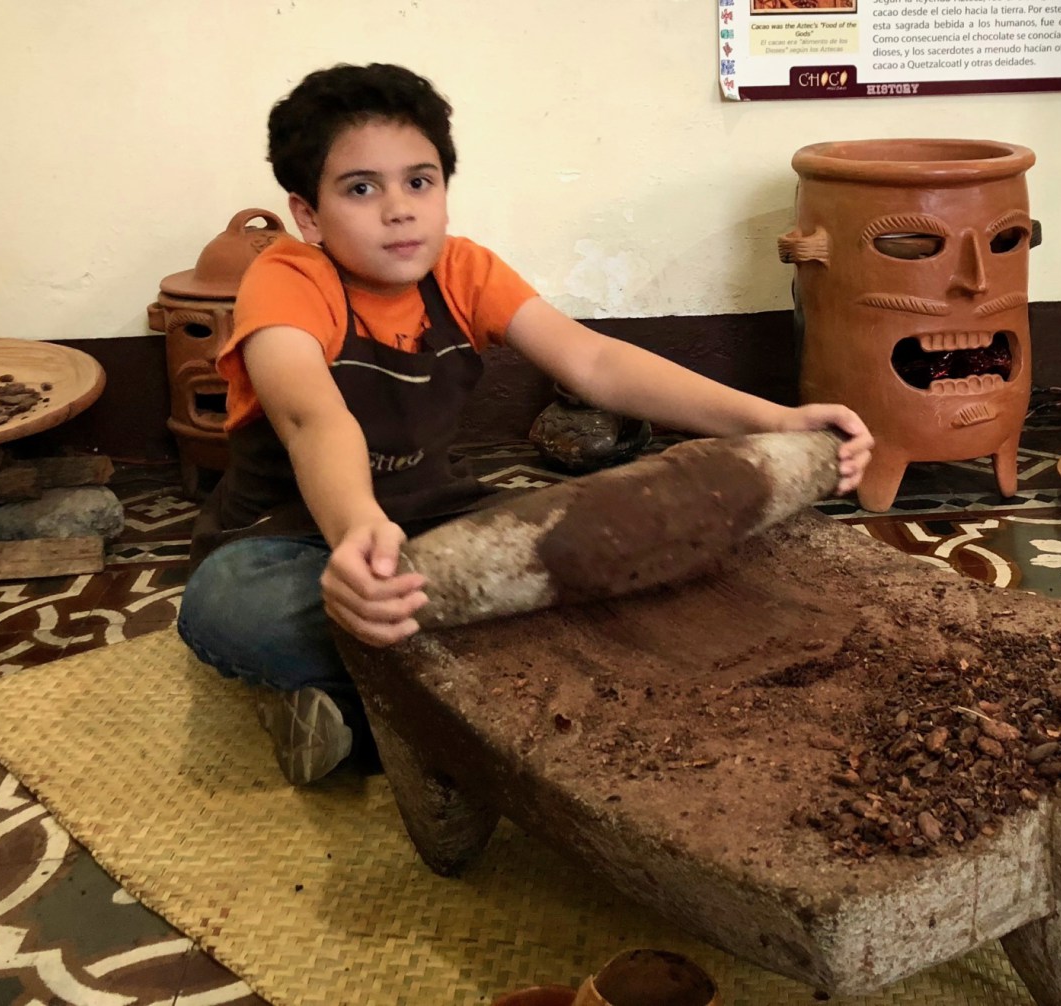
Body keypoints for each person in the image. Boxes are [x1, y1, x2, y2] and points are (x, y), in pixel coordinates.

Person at [176, 63, 873, 786]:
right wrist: (356, 531)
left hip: (435, 526)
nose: (399, 209)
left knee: (587, 553)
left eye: (420, 181)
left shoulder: (464, 270)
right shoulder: (286, 279)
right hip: (289, 545)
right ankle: (405, 716)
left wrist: (777, 418)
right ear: (310, 216)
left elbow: (595, 363)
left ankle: (371, 718)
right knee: (234, 610)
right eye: (361, 189)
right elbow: (311, 417)